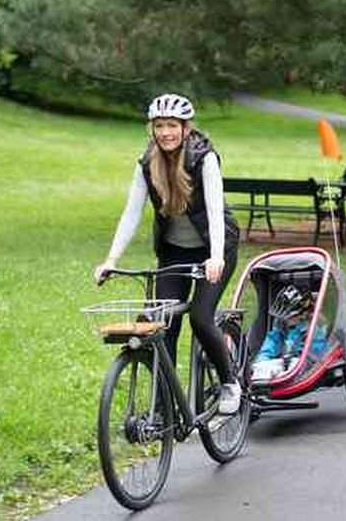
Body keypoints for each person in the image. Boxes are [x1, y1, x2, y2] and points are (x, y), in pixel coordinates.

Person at [94, 93, 242, 414]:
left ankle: (230, 382)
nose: (165, 132)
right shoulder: (147, 163)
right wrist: (111, 260)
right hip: (175, 252)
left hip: (214, 249)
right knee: (162, 324)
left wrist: (216, 256)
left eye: (172, 125)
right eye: (159, 126)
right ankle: (165, 406)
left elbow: (215, 212)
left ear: (186, 128)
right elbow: (131, 213)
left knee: (200, 318)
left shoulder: (204, 158)